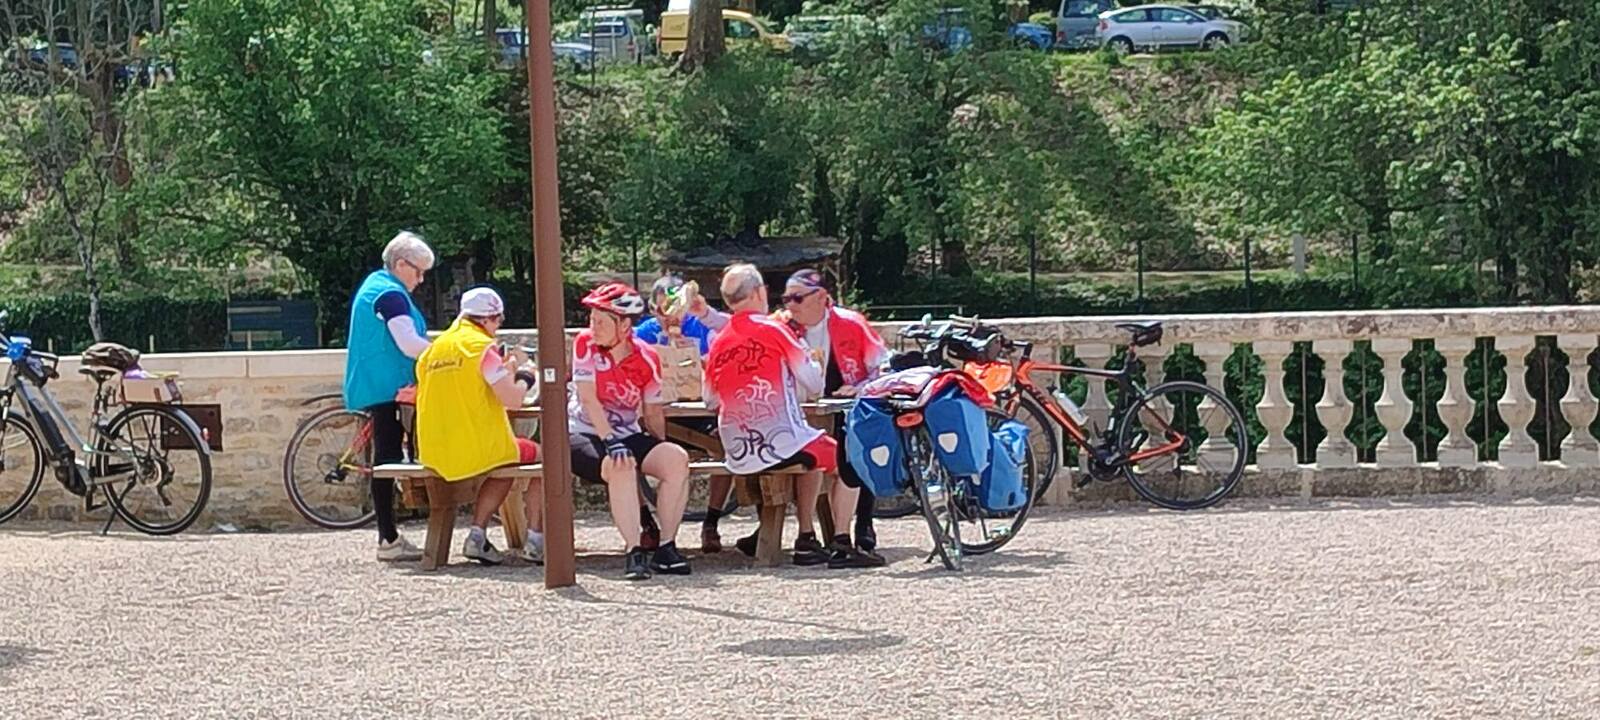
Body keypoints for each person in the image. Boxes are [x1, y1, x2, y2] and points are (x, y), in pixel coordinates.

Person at [701, 263, 879, 569]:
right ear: (759, 293)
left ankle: (806, 536)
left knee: (814, 451)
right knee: (849, 459)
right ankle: (841, 542)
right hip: (780, 443)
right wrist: (809, 362)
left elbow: (709, 399)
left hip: (738, 452)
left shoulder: (718, 341)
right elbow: (814, 384)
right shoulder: (776, 330)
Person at [569, 282, 694, 580]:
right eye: (592, 319)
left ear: (624, 325)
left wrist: (660, 447)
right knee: (621, 464)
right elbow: (588, 398)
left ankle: (666, 547)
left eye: (601, 321)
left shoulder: (647, 357)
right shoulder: (585, 344)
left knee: (676, 459)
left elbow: (652, 412)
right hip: (585, 430)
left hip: (626, 432)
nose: (593, 327)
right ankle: (634, 550)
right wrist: (610, 440)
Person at [414, 287, 544, 566]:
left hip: (434, 450)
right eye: (498, 320)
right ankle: (534, 539)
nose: (498, 328)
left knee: (508, 458)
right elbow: (513, 400)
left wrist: (505, 372)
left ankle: (479, 537)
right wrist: (525, 375)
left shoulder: (434, 350)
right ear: (486, 319)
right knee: (540, 457)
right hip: (476, 445)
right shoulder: (482, 348)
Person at [779, 268, 890, 560]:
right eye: (786, 299)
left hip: (848, 406)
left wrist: (859, 387)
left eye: (797, 298)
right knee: (809, 452)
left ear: (821, 297)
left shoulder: (851, 323)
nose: (790, 306)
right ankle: (807, 534)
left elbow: (882, 367)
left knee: (858, 447)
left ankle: (861, 526)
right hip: (800, 411)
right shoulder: (781, 326)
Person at [343, 231, 434, 563]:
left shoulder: (378, 286)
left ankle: (389, 536)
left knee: (387, 456)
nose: (421, 280)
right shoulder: (390, 295)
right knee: (387, 460)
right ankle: (388, 538)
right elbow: (409, 344)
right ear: (401, 264)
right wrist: (446, 354)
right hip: (385, 387)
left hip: (379, 384)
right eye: (419, 272)